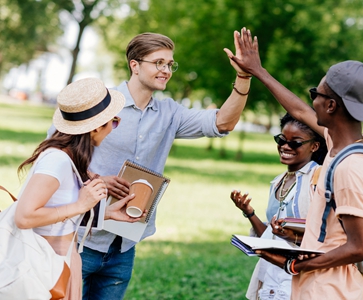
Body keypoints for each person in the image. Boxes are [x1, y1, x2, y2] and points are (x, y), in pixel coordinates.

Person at [45, 30, 252, 299]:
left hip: (122, 247)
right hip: (79, 237)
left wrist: (244, 76)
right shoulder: (98, 102)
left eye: (170, 64)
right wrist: (92, 179)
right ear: (135, 65)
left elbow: (223, 122)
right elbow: (53, 154)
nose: (166, 70)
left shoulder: (170, 113)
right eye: (158, 63)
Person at [229, 28, 363, 299]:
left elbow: (360, 247)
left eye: (316, 93)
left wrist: (295, 264)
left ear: (332, 106)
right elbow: (299, 111)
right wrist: (258, 71)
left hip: (330, 290)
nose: (312, 101)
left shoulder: (352, 166)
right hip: (317, 286)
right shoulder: (342, 145)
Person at [15, 78, 143, 299]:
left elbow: (57, 208)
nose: (113, 129)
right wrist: (80, 204)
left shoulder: (71, 160)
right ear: (95, 128)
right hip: (43, 266)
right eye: (114, 122)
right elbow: (24, 217)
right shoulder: (58, 161)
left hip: (60, 260)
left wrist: (105, 213)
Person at [230, 112, 327, 300]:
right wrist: (249, 212)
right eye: (281, 140)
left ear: (315, 146)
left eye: (295, 142)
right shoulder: (278, 182)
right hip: (273, 276)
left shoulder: (319, 179)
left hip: (304, 276)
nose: (285, 146)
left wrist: (294, 236)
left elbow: (329, 236)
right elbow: (268, 237)